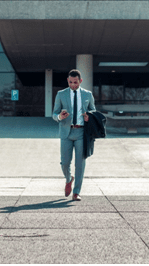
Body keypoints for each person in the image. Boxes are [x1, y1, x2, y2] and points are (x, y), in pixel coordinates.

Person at [52, 69, 96, 201]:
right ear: (68, 80)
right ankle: (68, 178)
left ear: (80, 81)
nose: (73, 85)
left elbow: (93, 110)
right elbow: (54, 114)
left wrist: (90, 117)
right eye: (70, 82)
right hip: (66, 132)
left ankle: (76, 192)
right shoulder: (61, 94)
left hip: (81, 132)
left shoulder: (88, 95)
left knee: (80, 164)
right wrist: (59, 116)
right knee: (65, 163)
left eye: (75, 82)